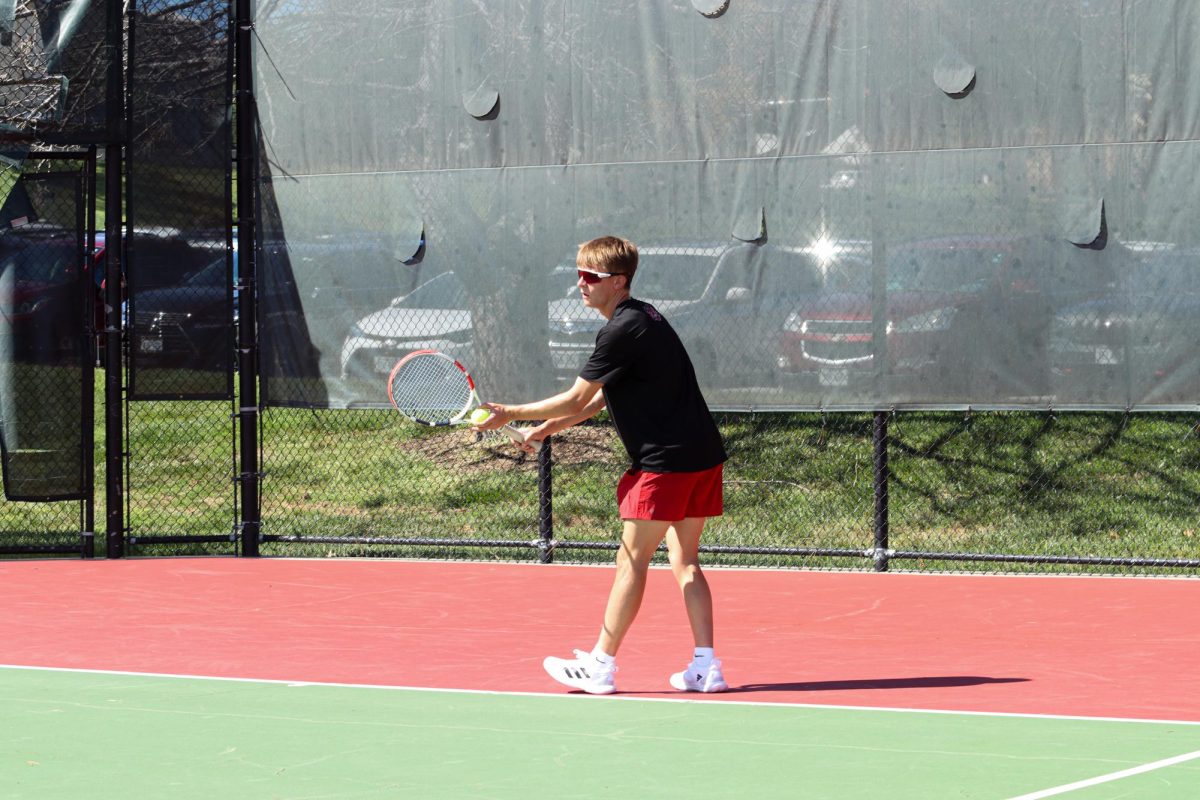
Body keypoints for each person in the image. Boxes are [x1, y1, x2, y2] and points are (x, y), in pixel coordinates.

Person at [473, 235, 729, 695]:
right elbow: (592, 404)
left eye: (590, 277)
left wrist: (510, 412)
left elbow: (576, 396)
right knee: (685, 561)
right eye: (578, 273)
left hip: (665, 464)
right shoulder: (643, 317)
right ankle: (706, 666)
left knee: (631, 560)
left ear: (619, 282)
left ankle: (601, 665)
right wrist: (542, 431)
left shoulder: (620, 330)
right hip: (701, 456)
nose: (580, 284)